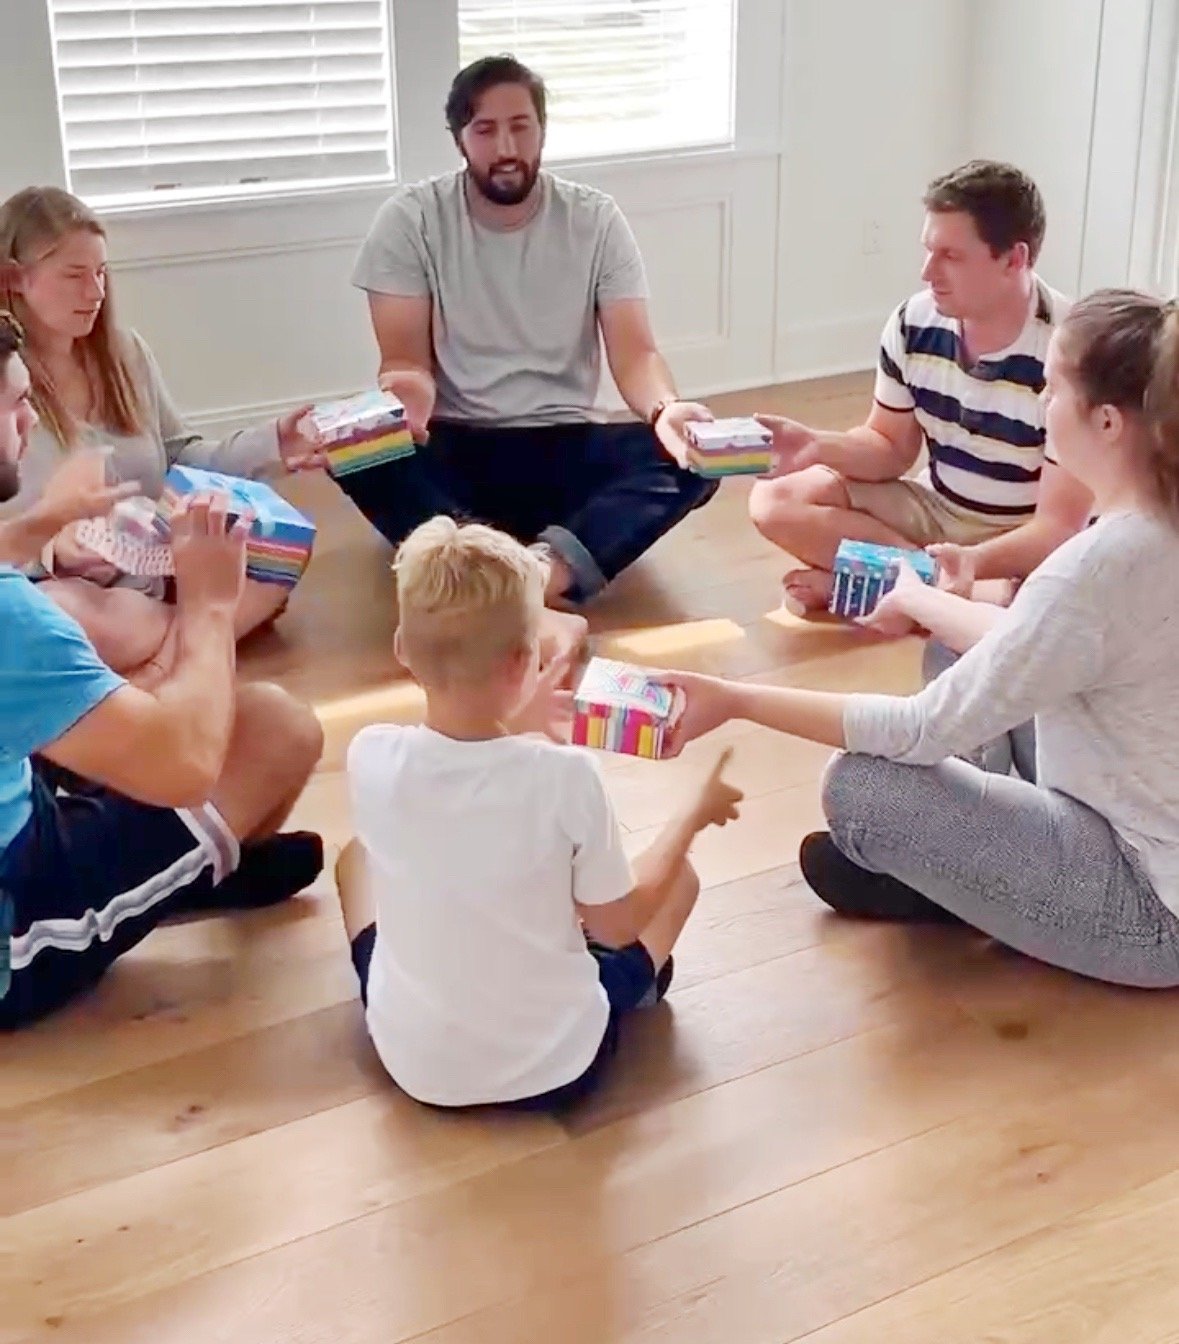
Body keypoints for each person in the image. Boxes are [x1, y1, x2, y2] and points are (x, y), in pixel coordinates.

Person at [656, 288, 1179, 989]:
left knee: (863, 786)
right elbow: (1038, 642)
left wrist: (735, 698)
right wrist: (921, 598)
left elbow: (918, 729)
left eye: (1050, 389)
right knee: (954, 646)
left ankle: (956, 880)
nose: (1040, 407)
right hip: (1129, 812)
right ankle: (960, 865)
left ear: (1107, 421)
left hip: (1148, 910)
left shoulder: (1094, 567)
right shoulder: (1148, 522)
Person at [334, 516, 742, 1110]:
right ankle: (634, 993)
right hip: (556, 1067)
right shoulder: (567, 776)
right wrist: (692, 816)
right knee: (677, 880)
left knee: (357, 857)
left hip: (414, 1063)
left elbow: (468, 782)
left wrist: (512, 723)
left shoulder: (370, 753)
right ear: (526, 661)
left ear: (402, 650)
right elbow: (617, 927)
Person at [0, 312, 326, 1028]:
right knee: (277, 728)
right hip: (18, 934)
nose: (29, 422)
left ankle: (187, 865)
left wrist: (36, 526)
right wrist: (209, 605)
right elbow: (185, 767)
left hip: (21, 810)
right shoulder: (13, 621)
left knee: (145, 698)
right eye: (17, 403)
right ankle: (181, 878)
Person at [343, 55, 717, 619]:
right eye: (485, 130)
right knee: (352, 448)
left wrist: (667, 409)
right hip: (455, 443)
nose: (506, 147)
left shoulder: (595, 220)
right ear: (460, 140)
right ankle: (476, 555)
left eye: (521, 126)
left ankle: (532, 573)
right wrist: (406, 393)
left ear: (542, 129)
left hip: (563, 443)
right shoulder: (410, 219)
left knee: (698, 456)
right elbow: (403, 360)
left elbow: (636, 352)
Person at [0, 186, 328, 676]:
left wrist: (274, 441)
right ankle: (191, 643)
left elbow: (182, 460)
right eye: (73, 275)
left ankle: (162, 652)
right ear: (14, 279)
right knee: (64, 611)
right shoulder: (7, 384)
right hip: (62, 588)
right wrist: (55, 552)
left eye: (101, 273)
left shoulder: (126, 354)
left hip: (156, 568)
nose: (95, 293)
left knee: (276, 546)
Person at [749, 160, 1070, 616]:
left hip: (1023, 535)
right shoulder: (913, 322)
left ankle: (885, 586)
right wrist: (814, 445)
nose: (927, 272)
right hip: (936, 509)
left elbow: (1058, 526)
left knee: (1067, 591)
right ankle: (955, 594)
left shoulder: (1070, 350)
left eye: (951, 256)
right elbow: (889, 448)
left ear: (1014, 259)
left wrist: (975, 559)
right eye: (928, 250)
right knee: (775, 500)